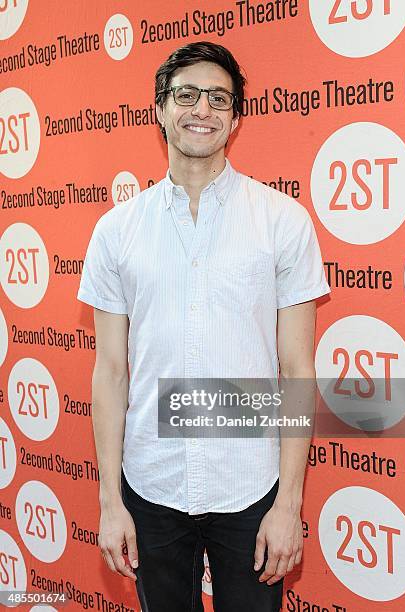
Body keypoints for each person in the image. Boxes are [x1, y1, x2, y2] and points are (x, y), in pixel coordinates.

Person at [77, 41, 331, 612]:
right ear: (160, 109)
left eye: (219, 98)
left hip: (251, 488)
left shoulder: (282, 221)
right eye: (186, 95)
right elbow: (111, 372)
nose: (203, 110)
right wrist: (111, 500)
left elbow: (296, 369)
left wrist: (288, 504)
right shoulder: (116, 232)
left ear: (236, 118)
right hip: (150, 485)